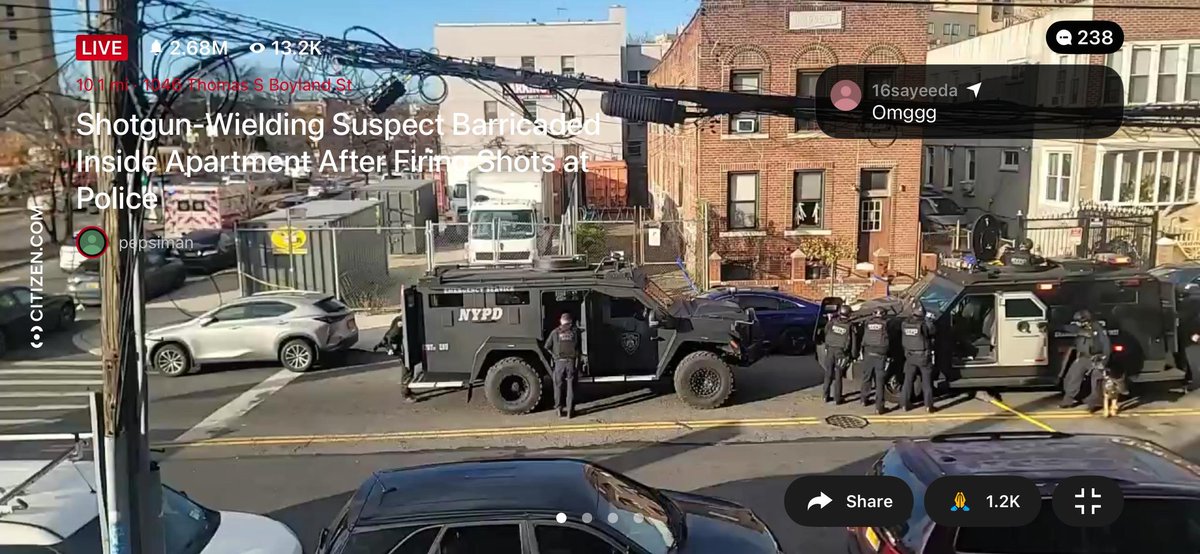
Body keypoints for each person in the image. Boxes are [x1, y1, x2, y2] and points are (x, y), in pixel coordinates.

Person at [1061, 309, 1111, 411]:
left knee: (1096, 379)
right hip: (1083, 358)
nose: (1078, 323)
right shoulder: (1080, 329)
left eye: (1079, 321)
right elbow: (1068, 328)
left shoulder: (1098, 329)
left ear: (1086, 320)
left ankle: (1095, 403)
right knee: (1073, 377)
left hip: (1096, 358)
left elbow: (1106, 345)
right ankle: (1068, 399)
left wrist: (1104, 361)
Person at [900, 301, 937, 413]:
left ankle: (904, 404)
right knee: (927, 383)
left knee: (907, 381)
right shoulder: (924, 325)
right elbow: (932, 332)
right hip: (923, 356)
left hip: (910, 356)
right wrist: (929, 321)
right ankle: (928, 406)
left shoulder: (905, 324)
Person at [544, 312, 580, 418]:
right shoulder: (575, 332)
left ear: (561, 321)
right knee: (571, 387)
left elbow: (547, 346)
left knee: (558, 386)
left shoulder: (555, 332)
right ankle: (570, 411)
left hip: (559, 362)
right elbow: (578, 348)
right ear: (570, 322)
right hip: (571, 362)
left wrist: (554, 355)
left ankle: (559, 409)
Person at [858, 306, 892, 414]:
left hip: (868, 353)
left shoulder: (868, 323)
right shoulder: (886, 324)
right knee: (880, 381)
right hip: (880, 355)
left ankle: (864, 399)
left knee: (866, 377)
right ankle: (879, 407)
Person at [822, 305, 855, 405]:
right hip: (841, 352)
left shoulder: (832, 322)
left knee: (828, 374)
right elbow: (853, 342)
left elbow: (825, 332)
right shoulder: (850, 326)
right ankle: (837, 398)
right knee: (838, 375)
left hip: (830, 350)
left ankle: (825, 396)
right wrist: (853, 355)